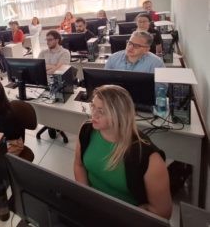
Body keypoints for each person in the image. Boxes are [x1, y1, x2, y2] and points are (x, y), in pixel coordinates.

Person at [73, 85, 172, 219]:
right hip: (92, 208)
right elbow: (79, 165)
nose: (93, 114)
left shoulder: (150, 159)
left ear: (118, 115)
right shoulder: (86, 130)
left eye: (101, 111)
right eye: (93, 107)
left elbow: (163, 213)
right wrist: (87, 197)